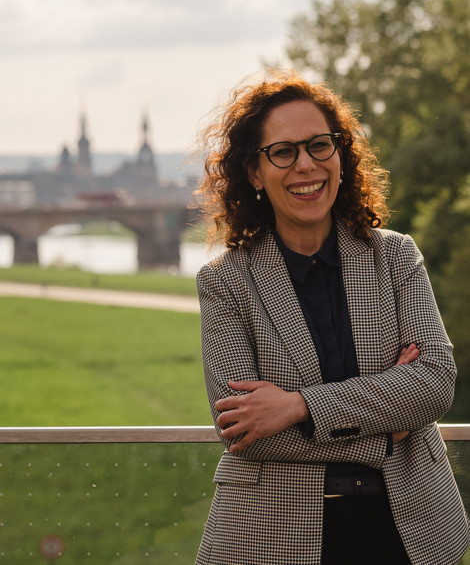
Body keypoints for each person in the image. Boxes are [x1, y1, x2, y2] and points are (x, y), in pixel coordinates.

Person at [194, 69, 469, 565]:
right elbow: (241, 431)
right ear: (254, 173)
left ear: (341, 156)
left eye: (320, 145)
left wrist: (298, 406)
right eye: (283, 151)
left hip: (410, 529)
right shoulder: (225, 282)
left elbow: (434, 384)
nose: (306, 165)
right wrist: (388, 432)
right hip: (276, 536)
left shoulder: (395, 257)